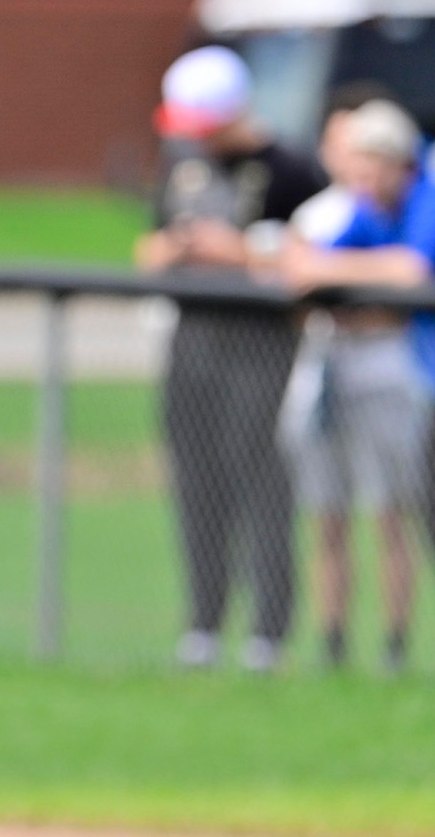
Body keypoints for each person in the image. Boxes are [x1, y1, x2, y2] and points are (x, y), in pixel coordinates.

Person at [136, 45, 327, 673]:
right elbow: (152, 237)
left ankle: (269, 631)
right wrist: (167, 250)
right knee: (196, 484)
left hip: (261, 344)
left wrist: (239, 252)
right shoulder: (183, 168)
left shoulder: (293, 171)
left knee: (261, 483)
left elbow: (311, 257)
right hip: (192, 342)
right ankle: (203, 624)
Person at [278, 99, 430, 673]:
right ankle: (334, 647)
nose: (364, 180)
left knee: (394, 515)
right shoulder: (362, 210)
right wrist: (354, 279)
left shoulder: (424, 199)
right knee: (329, 515)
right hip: (339, 376)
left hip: (406, 378)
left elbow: (411, 273)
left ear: (399, 164)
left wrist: (343, 280)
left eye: (375, 166)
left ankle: (395, 647)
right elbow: (303, 270)